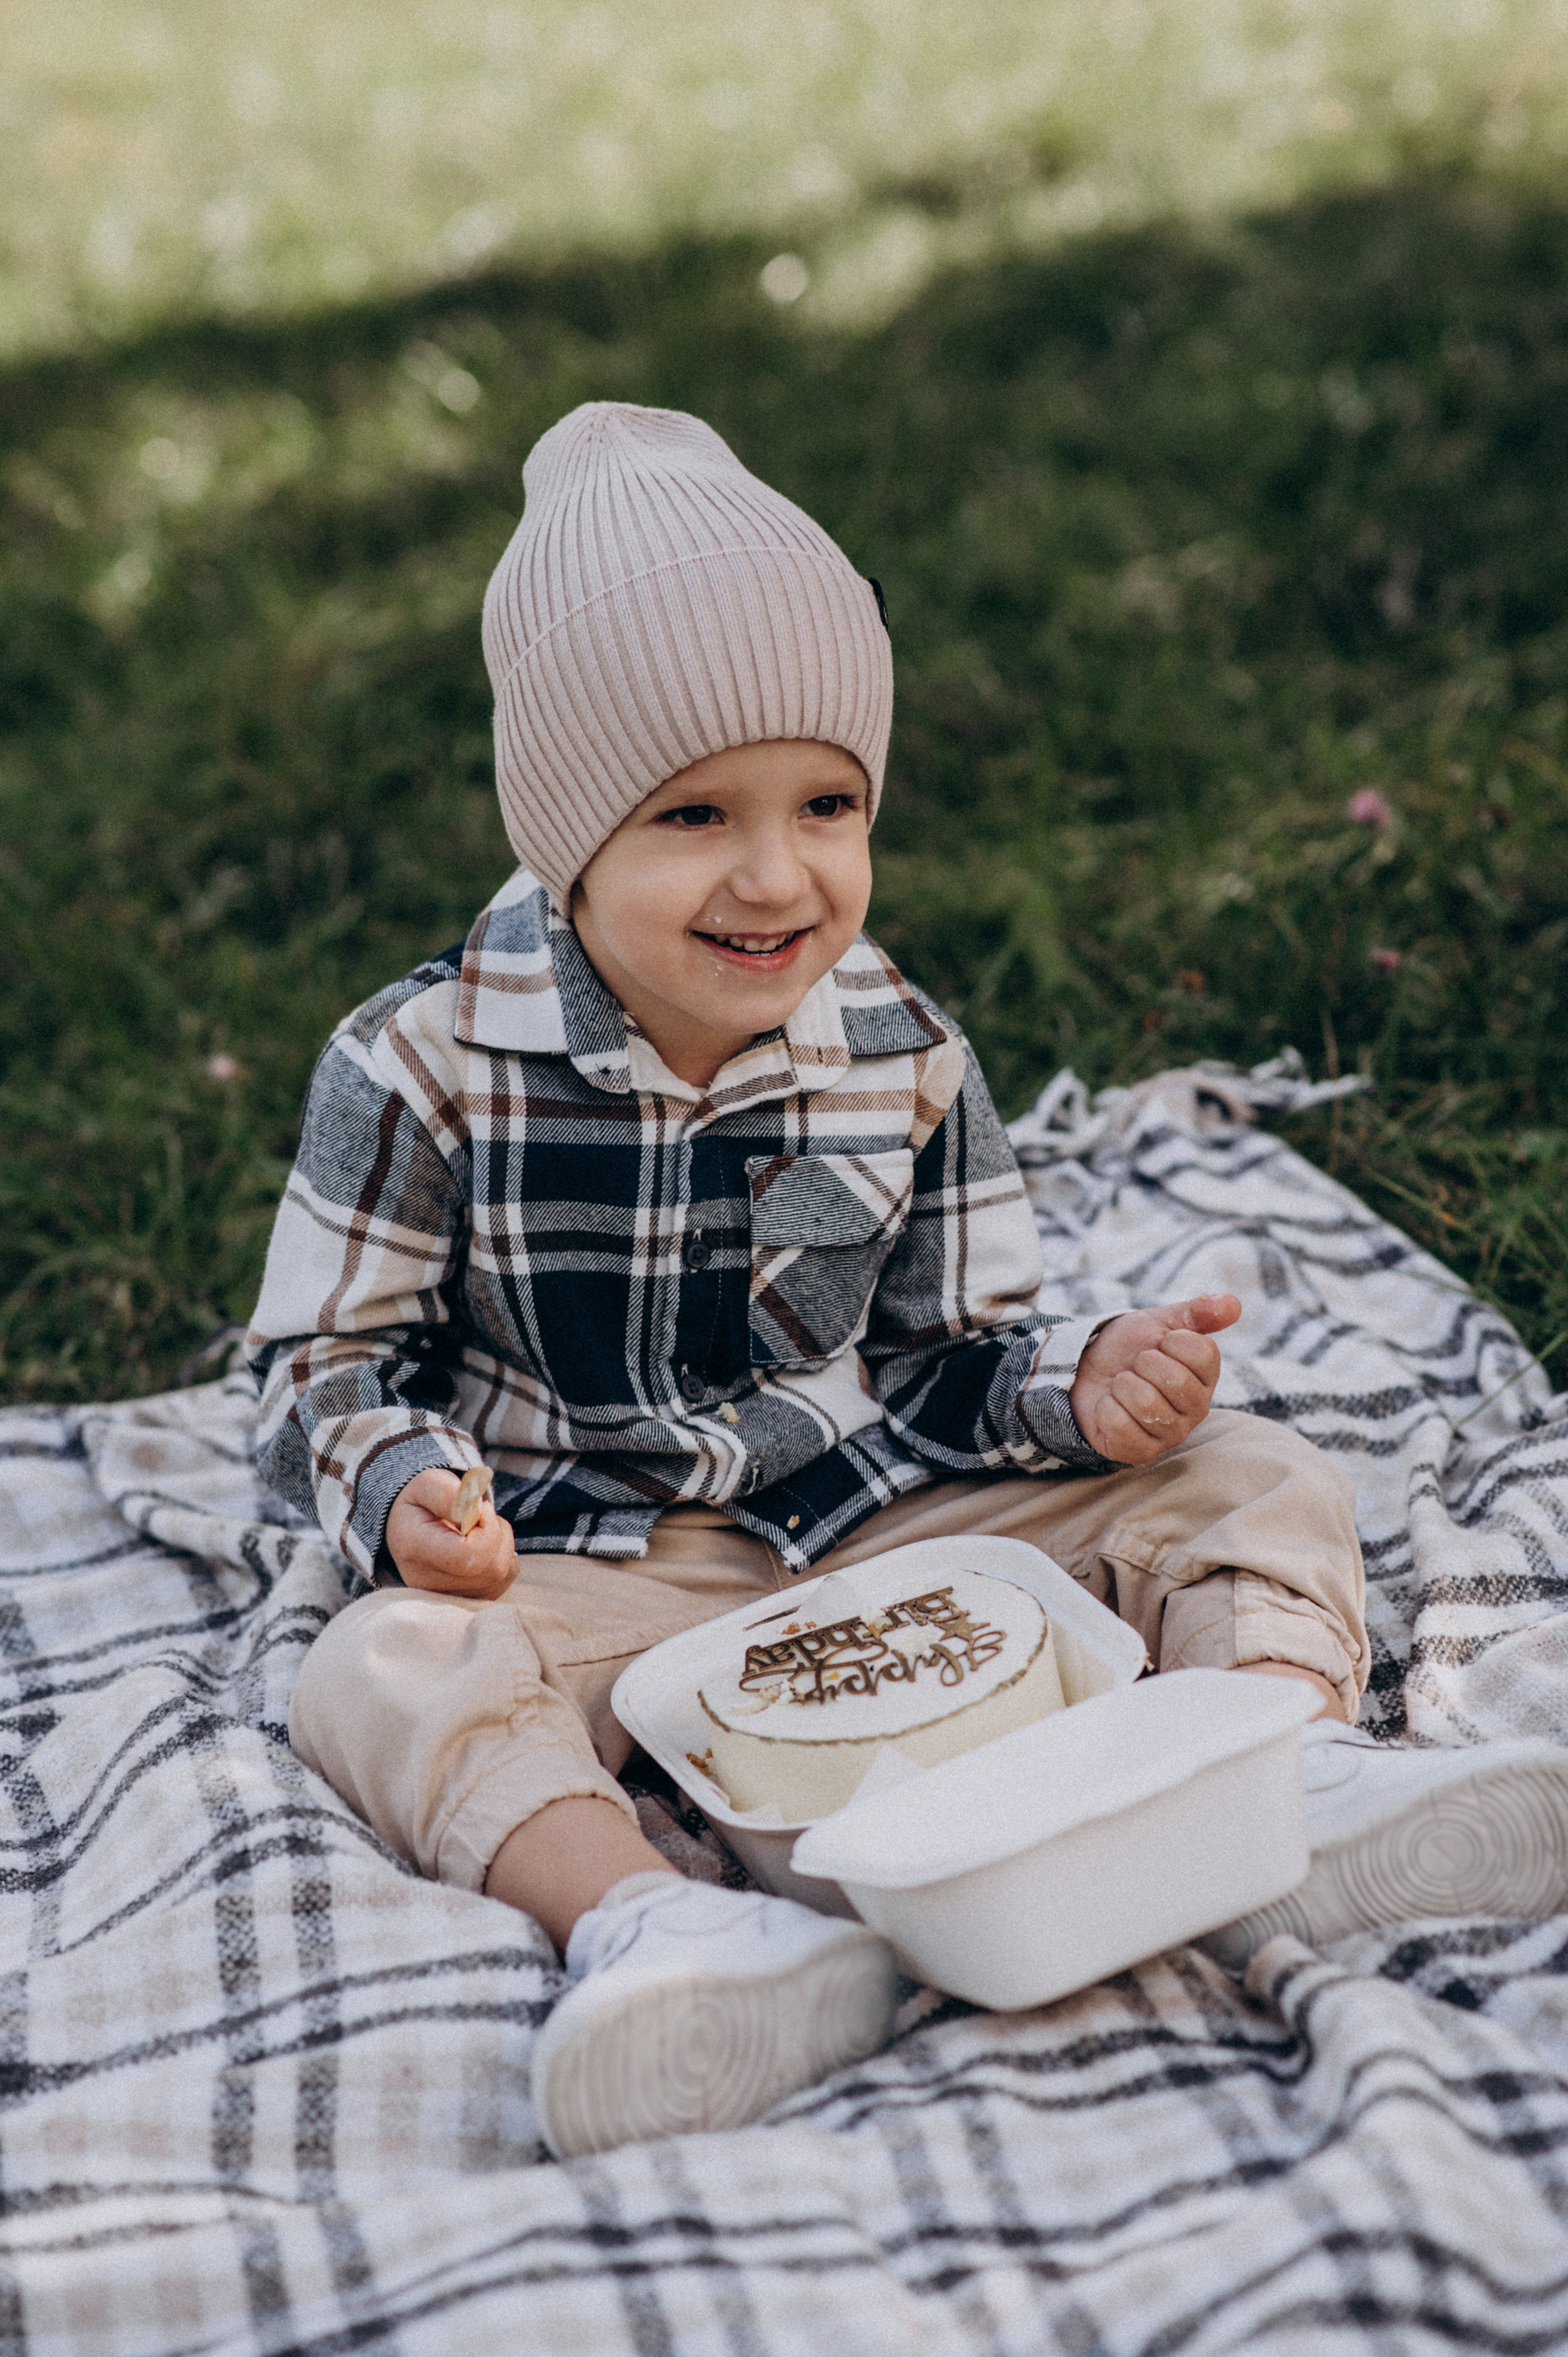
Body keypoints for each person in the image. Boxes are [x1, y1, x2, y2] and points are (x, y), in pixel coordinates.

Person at [247, 402, 1564, 2163]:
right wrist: (408, 1495)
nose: (778, 874)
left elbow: (955, 1349)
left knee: (1252, 1475)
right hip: (585, 1560)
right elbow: (322, 1369)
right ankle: (656, 1922)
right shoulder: (422, 1066)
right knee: (374, 1671)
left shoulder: (902, 1047)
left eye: (827, 804)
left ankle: (1279, 1773)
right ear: (569, 842)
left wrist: (1082, 1390)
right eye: (695, 813)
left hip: (877, 1520)